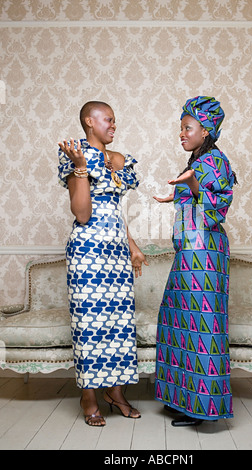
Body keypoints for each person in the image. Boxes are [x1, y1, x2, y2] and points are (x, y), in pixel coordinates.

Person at [58, 101, 148, 426]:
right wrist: (80, 166)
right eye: (108, 119)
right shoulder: (73, 154)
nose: (114, 125)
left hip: (117, 252)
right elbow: (82, 213)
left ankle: (117, 392)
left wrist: (133, 245)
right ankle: (89, 397)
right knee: (89, 325)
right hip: (87, 252)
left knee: (120, 324)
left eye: (114, 120)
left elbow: (117, 211)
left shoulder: (120, 160)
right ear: (89, 121)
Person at [154, 96, 237, 426]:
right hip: (190, 252)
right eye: (181, 127)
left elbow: (216, 209)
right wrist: (176, 193)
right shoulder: (200, 161)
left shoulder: (215, 162)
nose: (181, 133)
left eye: (187, 128)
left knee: (202, 329)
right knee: (179, 323)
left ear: (206, 131)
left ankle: (204, 409)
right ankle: (183, 399)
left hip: (205, 255)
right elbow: (191, 199)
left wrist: (193, 185)